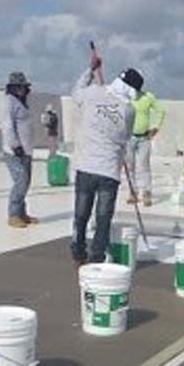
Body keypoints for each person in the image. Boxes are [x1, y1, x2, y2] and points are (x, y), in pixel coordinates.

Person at [71, 55, 142, 264]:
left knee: (81, 215)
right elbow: (125, 137)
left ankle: (78, 250)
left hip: (86, 167)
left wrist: (90, 70)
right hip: (109, 171)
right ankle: (96, 256)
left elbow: (76, 93)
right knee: (103, 219)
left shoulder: (92, 92)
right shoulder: (128, 110)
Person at [1, 71, 38, 228]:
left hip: (26, 152)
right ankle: (13, 214)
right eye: (18, 87)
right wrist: (15, 146)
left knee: (25, 182)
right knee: (21, 181)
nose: (21, 90)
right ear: (12, 88)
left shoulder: (22, 103)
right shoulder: (9, 102)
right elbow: (7, 126)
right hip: (15, 151)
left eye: (23, 87)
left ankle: (22, 213)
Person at [126, 80, 166, 206]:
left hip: (144, 138)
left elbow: (160, 110)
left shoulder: (148, 97)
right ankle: (133, 192)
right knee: (130, 166)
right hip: (128, 138)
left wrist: (155, 127)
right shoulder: (125, 99)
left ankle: (147, 192)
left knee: (144, 166)